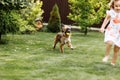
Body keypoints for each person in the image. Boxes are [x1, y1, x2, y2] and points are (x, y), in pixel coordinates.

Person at [100, 0, 120, 65]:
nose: (118, 8)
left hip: (119, 32)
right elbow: (107, 19)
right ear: (113, 6)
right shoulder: (111, 12)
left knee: (117, 48)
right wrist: (103, 27)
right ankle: (107, 55)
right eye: (116, 6)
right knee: (110, 42)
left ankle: (113, 63)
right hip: (112, 30)